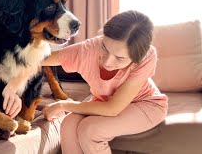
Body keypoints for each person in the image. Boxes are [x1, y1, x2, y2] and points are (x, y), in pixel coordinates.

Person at [41, 10, 168, 154]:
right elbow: (40, 59)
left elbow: (113, 108)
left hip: (145, 104)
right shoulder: (88, 49)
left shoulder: (147, 57)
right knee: (68, 124)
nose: (107, 62)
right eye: (104, 48)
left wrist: (63, 105)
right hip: (104, 102)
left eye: (120, 58)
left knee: (90, 130)